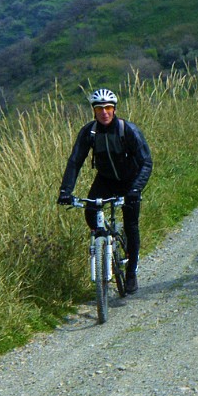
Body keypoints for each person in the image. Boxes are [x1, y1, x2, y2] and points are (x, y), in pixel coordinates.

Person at [58, 88, 153, 293]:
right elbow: (75, 161)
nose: (104, 112)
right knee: (91, 213)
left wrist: (136, 188)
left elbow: (146, 162)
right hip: (105, 179)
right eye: (100, 108)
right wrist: (65, 191)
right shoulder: (89, 132)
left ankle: (131, 272)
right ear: (93, 110)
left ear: (115, 109)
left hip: (129, 181)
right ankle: (102, 246)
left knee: (131, 225)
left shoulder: (127, 130)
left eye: (108, 108)